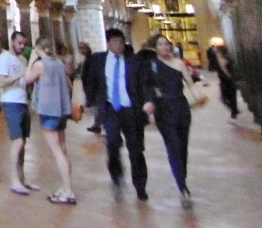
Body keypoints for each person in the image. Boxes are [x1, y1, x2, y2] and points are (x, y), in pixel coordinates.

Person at [83, 28, 155, 201]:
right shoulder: (98, 60)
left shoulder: (134, 61)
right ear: (108, 44)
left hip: (131, 110)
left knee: (136, 149)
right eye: (114, 42)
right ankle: (117, 175)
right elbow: (90, 80)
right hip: (110, 110)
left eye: (121, 42)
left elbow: (145, 83)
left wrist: (148, 100)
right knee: (113, 143)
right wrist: (91, 100)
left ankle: (140, 186)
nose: (118, 45)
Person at [148, 33, 206, 208]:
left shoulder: (179, 63)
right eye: (160, 44)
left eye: (166, 44)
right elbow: (149, 88)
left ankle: (182, 179)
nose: (164, 47)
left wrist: (198, 98)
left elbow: (190, 83)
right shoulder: (152, 65)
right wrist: (151, 108)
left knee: (182, 147)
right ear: (154, 48)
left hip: (181, 108)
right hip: (164, 110)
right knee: (173, 147)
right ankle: (182, 187)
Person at [26, 37, 76, 206]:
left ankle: (68, 192)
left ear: (38, 48)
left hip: (49, 110)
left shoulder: (40, 65)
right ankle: (66, 186)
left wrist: (31, 61)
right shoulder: (59, 63)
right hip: (62, 109)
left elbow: (27, 79)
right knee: (63, 149)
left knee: (57, 151)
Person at [0, 30, 38, 195]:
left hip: (22, 102)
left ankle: (22, 178)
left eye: (24, 44)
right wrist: (20, 73)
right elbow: (2, 82)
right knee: (18, 141)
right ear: (12, 41)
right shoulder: (4, 58)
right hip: (10, 102)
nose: (22, 46)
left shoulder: (22, 60)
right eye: (19, 43)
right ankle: (14, 181)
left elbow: (25, 81)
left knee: (23, 142)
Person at [215, 45, 239, 119]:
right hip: (226, 80)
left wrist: (230, 77)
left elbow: (227, 70)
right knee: (230, 97)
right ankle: (234, 110)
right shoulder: (224, 59)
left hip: (227, 81)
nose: (216, 53)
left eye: (217, 51)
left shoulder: (224, 59)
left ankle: (234, 112)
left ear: (220, 52)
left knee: (227, 98)